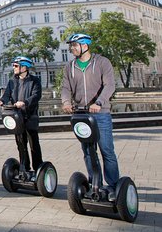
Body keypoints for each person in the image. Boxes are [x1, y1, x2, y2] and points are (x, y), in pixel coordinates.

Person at [61, 33, 119, 201]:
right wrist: (66, 102)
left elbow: (109, 85)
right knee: (87, 151)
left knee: (106, 150)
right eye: (71, 46)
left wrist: (99, 102)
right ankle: (96, 184)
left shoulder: (102, 62)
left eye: (74, 45)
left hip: (100, 114)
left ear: (85, 45)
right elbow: (66, 87)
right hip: (81, 115)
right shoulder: (70, 66)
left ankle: (114, 186)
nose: (71, 48)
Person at [0, 56, 42, 179]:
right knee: (20, 143)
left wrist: (25, 102)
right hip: (17, 118)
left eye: (16, 66)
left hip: (30, 117)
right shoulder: (12, 81)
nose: (14, 68)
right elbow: (7, 95)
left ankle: (38, 169)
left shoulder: (34, 81)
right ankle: (24, 168)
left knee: (34, 144)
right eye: (14, 66)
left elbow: (36, 96)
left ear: (24, 67)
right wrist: (1, 101)